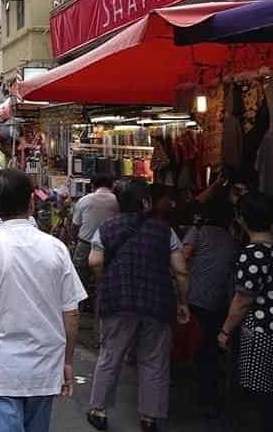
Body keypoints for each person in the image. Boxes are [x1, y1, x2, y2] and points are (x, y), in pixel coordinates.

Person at [0, 169, 86, 432]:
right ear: (32, 202)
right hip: (45, 365)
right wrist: (67, 361)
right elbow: (71, 313)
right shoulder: (55, 248)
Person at [86, 179, 191, 432]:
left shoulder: (107, 228)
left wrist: (105, 283)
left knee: (110, 355)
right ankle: (149, 417)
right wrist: (183, 301)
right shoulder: (165, 230)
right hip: (157, 301)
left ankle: (98, 410)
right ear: (145, 202)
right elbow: (181, 270)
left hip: (118, 301)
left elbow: (94, 261)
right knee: (154, 359)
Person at [218, 192, 273, 432]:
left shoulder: (252, 253)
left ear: (242, 219)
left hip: (261, 331)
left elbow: (243, 299)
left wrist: (225, 331)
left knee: (255, 393)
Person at [182, 189, 239, 416]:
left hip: (195, 296)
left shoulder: (198, 233)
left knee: (196, 342)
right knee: (210, 348)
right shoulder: (232, 241)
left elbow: (183, 257)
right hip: (219, 300)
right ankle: (209, 391)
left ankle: (201, 388)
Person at [71, 174, 120, 294]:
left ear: (92, 185)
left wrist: (74, 240)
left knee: (80, 280)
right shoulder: (117, 201)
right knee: (107, 280)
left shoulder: (84, 200)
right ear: (112, 185)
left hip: (85, 244)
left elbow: (75, 225)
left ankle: (80, 306)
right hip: (110, 246)